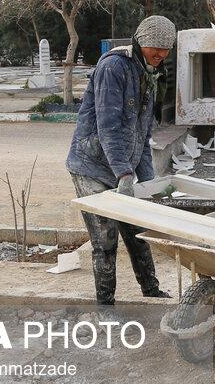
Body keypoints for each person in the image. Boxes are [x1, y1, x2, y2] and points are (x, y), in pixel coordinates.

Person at [66, 15, 175, 306]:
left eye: (166, 49)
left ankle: (151, 292)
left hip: (122, 167)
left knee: (137, 232)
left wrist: (150, 181)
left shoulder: (149, 73)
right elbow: (108, 126)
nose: (161, 54)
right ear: (140, 42)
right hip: (92, 166)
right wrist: (125, 174)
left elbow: (143, 133)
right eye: (156, 48)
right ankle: (106, 304)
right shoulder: (113, 67)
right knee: (105, 239)